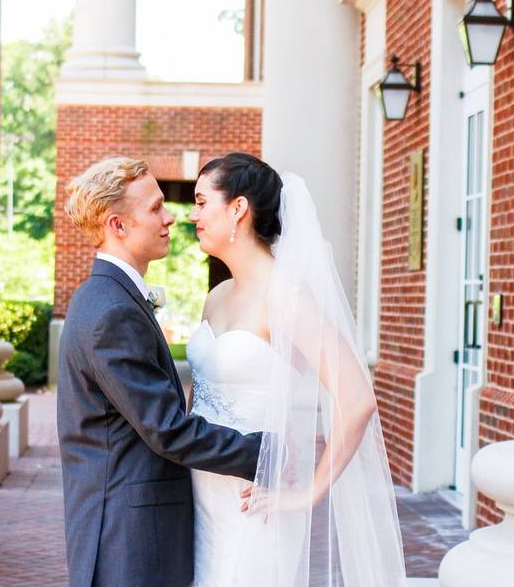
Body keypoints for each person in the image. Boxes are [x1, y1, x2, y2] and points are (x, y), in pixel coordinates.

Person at [186, 153, 409, 586]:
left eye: (200, 201)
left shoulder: (286, 297)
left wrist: (308, 491)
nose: (193, 215)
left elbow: (357, 399)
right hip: (200, 497)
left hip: (254, 503)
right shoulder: (217, 296)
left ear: (237, 209)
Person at [57, 156, 262, 587]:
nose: (171, 217)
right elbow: (167, 428)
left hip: (129, 530)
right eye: (155, 208)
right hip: (129, 542)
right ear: (118, 226)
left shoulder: (108, 298)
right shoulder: (111, 311)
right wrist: (266, 455)